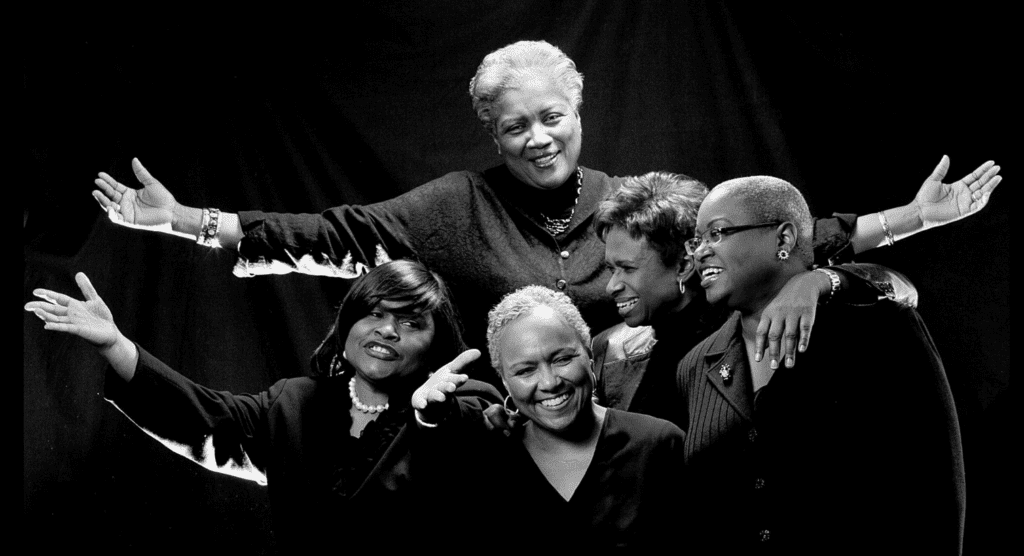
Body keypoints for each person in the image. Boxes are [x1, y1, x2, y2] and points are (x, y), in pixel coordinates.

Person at [89, 40, 999, 376]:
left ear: (578, 113)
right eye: (514, 125)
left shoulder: (637, 208)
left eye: (550, 117)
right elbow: (331, 237)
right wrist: (182, 220)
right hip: (508, 447)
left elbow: (784, 234)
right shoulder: (453, 208)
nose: (536, 138)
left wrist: (916, 218)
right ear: (492, 131)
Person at [24, 260, 501, 552]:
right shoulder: (295, 403)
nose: (387, 330)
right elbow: (205, 419)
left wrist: (432, 413)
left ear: (435, 343)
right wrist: (115, 345)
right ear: (349, 323)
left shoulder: (461, 404)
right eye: (374, 313)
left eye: (411, 322)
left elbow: (478, 428)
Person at [678, 176, 965, 553]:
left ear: (783, 239)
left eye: (717, 233)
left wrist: (820, 280)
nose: (700, 252)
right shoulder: (695, 366)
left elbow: (937, 493)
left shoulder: (878, 330)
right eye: (696, 240)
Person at [591, 171, 924, 425]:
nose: (611, 286)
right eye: (611, 269)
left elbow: (805, 240)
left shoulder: (748, 317)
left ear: (682, 265)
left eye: (627, 268)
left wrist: (819, 280)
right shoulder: (620, 352)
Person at [412, 285, 685, 549]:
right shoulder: (490, 462)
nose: (549, 382)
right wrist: (429, 415)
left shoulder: (659, 445)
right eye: (525, 371)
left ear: (590, 356)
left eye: (562, 359)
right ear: (505, 382)